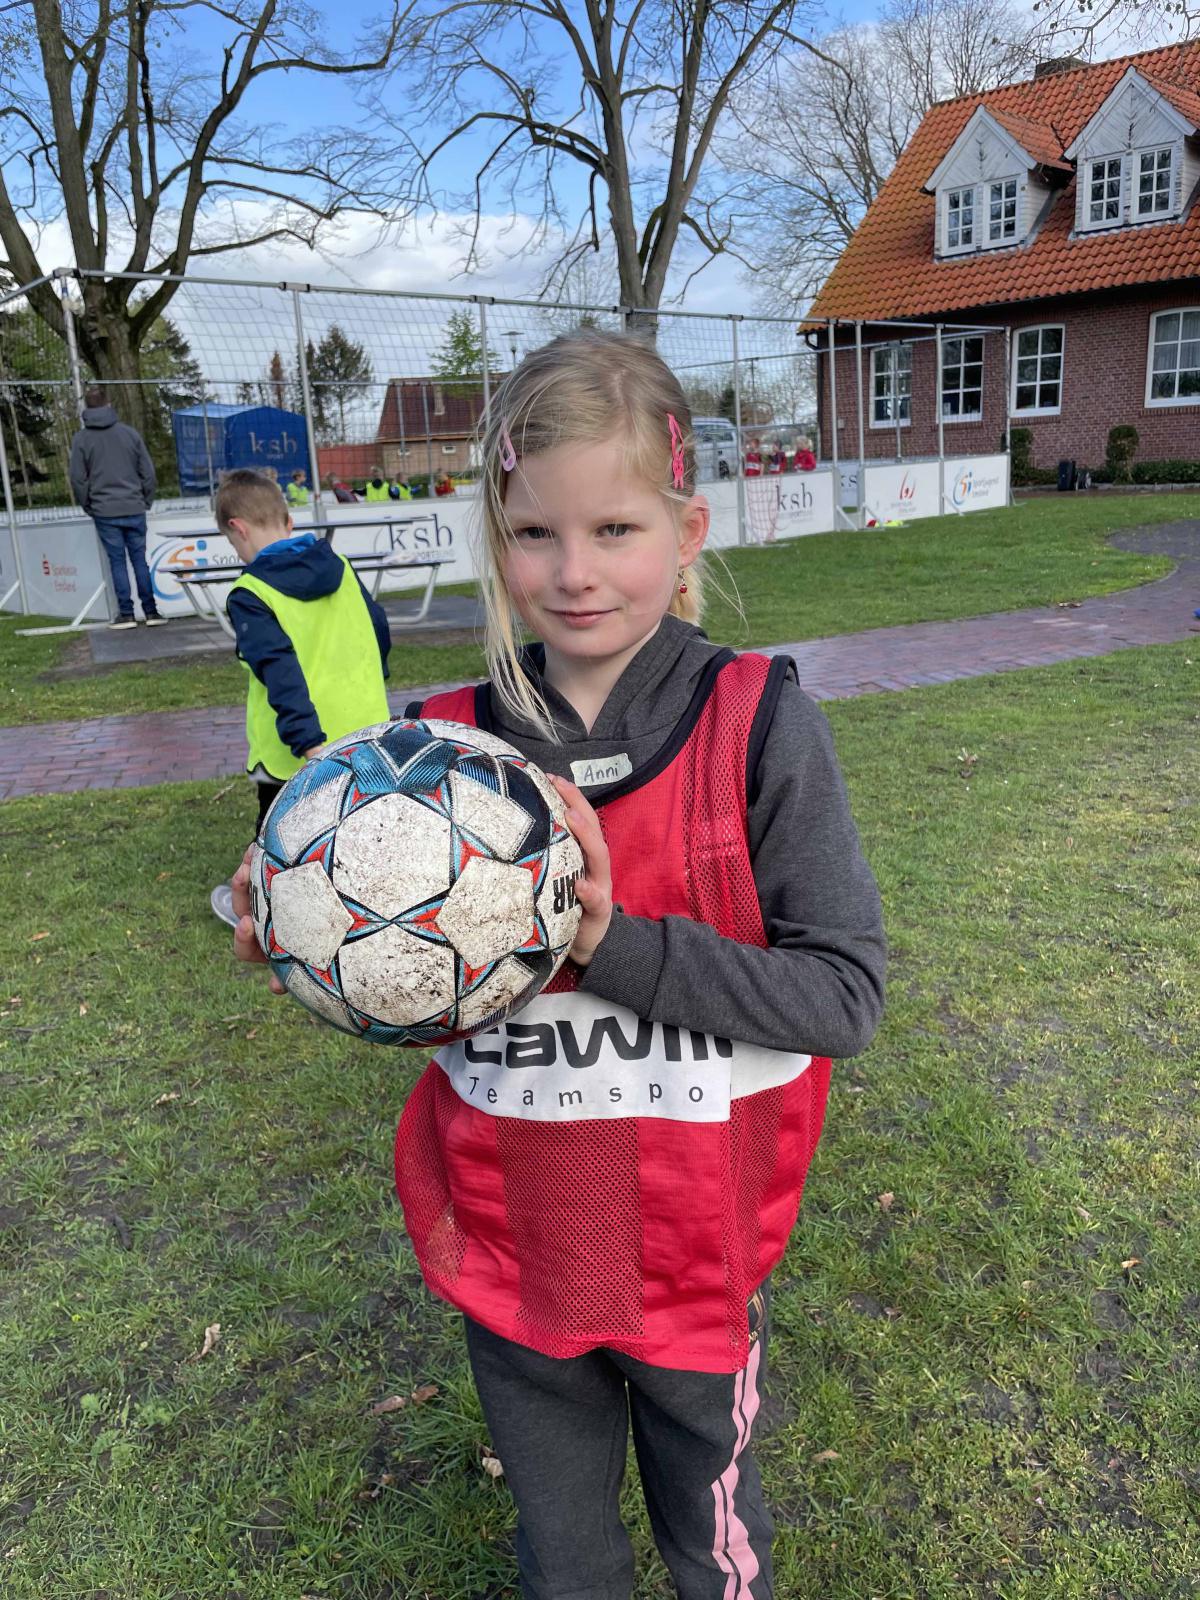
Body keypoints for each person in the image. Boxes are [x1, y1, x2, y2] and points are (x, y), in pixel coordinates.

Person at [227, 331, 885, 1596]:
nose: (575, 574)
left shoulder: (756, 721)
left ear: (688, 530)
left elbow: (842, 996)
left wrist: (606, 943)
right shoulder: (440, 752)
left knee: (711, 1554)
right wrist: (320, 934)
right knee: (568, 1563)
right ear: (496, 538)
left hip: (695, 1265)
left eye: (618, 530)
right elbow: (423, 989)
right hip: (518, 1258)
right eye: (535, 536)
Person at [209, 468, 391, 927]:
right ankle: (367, 911)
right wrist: (372, 682)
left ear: (238, 528)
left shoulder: (251, 593)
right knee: (357, 828)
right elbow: (379, 630)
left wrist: (307, 740)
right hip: (366, 731)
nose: (239, 554)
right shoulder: (342, 569)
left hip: (294, 749)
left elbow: (279, 670)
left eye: (235, 546)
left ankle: (262, 915)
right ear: (287, 522)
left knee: (278, 836)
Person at [68, 385, 166, 630]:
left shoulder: (81, 440)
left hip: (104, 510)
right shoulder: (129, 434)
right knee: (139, 561)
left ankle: (126, 614)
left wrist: (88, 505)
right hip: (133, 506)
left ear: (86, 409)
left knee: (117, 562)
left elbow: (78, 478)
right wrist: (145, 500)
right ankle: (151, 611)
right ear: (109, 404)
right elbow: (148, 473)